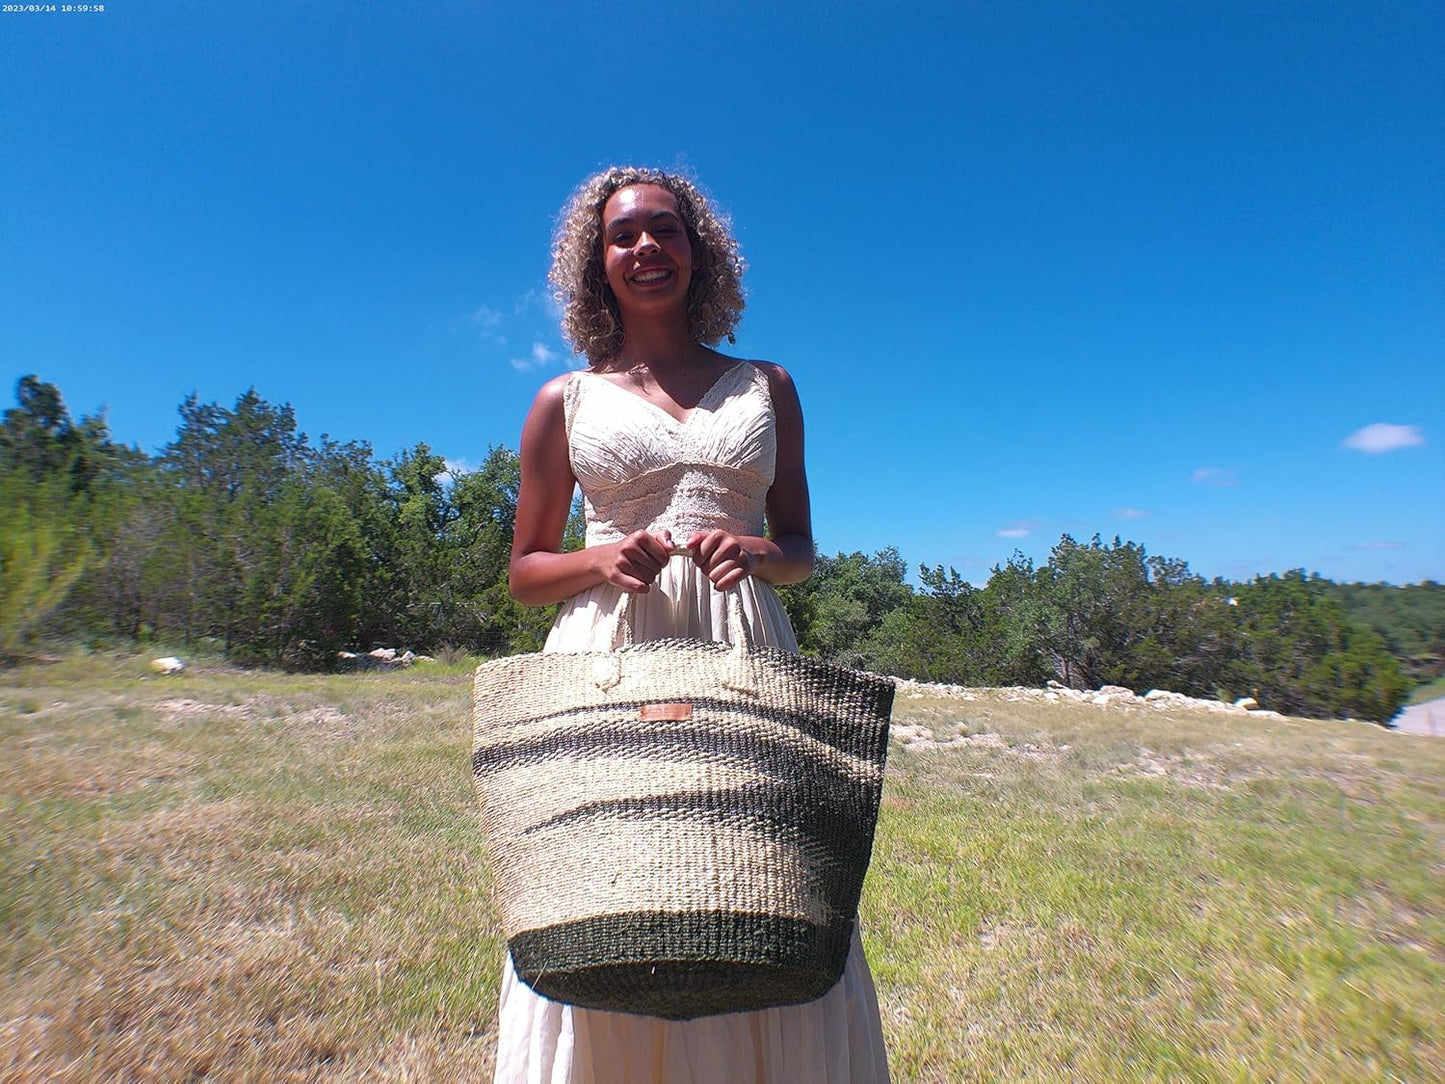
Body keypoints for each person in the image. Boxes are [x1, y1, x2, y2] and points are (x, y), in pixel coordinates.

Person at [498, 166, 890, 1083]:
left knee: (767, 885)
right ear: (597, 263)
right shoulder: (563, 400)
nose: (644, 249)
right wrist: (600, 558)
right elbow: (523, 573)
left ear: (696, 248)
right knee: (606, 886)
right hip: (610, 656)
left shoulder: (769, 384)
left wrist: (760, 555)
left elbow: (798, 543)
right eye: (622, 235)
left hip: (741, 647)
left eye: (663, 230)